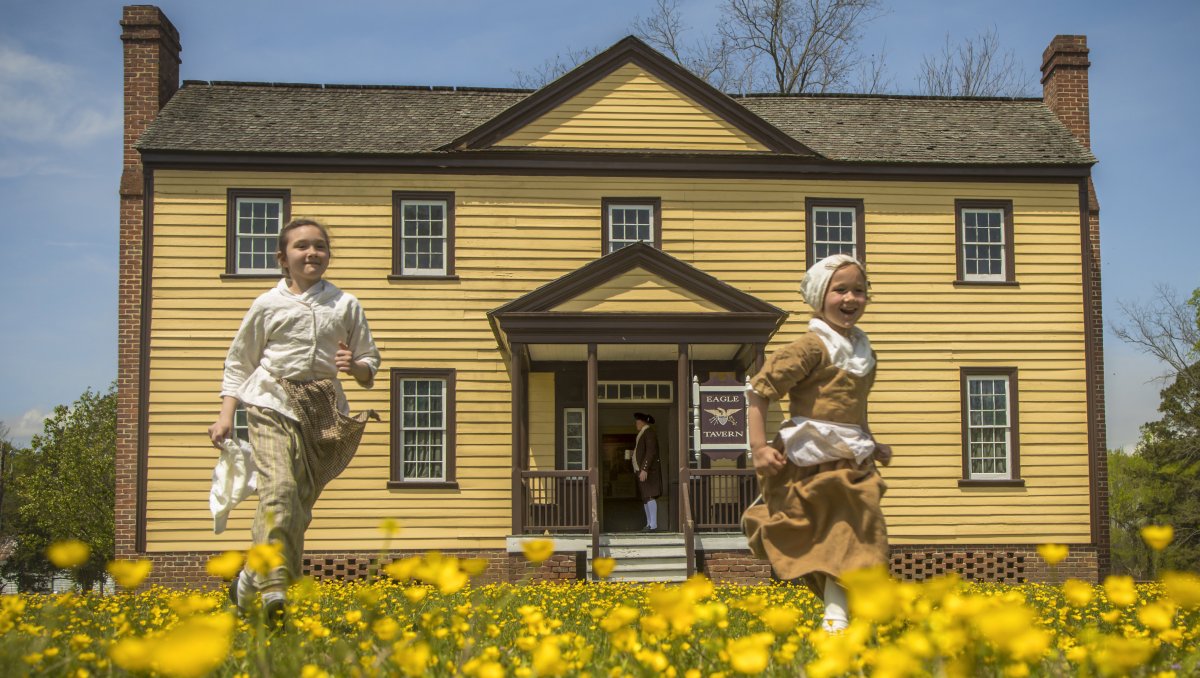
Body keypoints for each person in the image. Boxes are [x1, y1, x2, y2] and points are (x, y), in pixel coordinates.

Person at [208, 217, 380, 621]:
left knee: (297, 508)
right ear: (282, 258)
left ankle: (250, 579)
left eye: (320, 246)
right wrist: (225, 415)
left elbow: (369, 362)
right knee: (280, 491)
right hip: (271, 401)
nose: (312, 253)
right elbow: (239, 362)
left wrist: (354, 367)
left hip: (323, 410)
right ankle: (274, 589)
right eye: (302, 246)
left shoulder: (345, 304)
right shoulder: (267, 305)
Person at [741, 253, 892, 633]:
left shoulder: (863, 351)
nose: (851, 298)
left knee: (862, 533)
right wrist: (759, 448)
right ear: (820, 295)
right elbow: (760, 391)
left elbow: (856, 408)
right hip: (812, 455)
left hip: (853, 456)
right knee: (832, 537)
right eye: (840, 290)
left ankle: (839, 614)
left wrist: (872, 442)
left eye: (859, 290)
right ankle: (838, 616)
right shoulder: (810, 346)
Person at [632, 412, 662, 532]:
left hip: (648, 471)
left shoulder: (648, 432)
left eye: (637, 422)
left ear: (642, 422)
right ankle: (649, 523)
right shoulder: (643, 433)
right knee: (645, 497)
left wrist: (644, 468)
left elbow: (650, 452)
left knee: (649, 495)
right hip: (642, 471)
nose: (636, 424)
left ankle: (653, 524)